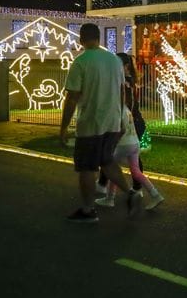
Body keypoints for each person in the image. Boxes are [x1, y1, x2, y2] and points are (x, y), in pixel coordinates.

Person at [60, 23, 142, 223]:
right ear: (99, 38)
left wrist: (63, 128)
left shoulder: (81, 62)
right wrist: (121, 119)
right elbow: (123, 91)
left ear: (81, 39)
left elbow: (72, 97)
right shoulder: (114, 61)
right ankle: (131, 193)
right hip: (113, 122)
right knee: (106, 161)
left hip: (91, 123)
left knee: (87, 167)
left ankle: (88, 210)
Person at [96, 103, 164, 210]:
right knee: (136, 172)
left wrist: (111, 143)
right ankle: (155, 195)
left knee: (112, 168)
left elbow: (120, 129)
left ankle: (110, 198)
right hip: (134, 142)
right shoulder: (125, 108)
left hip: (123, 144)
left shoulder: (115, 108)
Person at [97, 53, 146, 194]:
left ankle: (105, 186)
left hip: (130, 124)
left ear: (125, 66)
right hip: (134, 123)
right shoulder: (128, 81)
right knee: (125, 157)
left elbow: (126, 106)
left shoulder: (125, 82)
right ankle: (137, 188)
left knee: (109, 154)